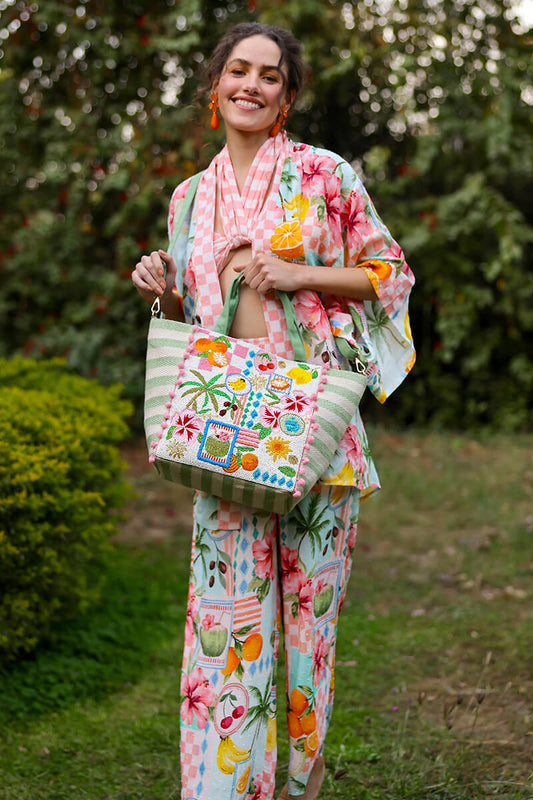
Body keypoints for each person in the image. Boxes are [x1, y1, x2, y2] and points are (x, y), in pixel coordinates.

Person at [132, 22, 415, 800]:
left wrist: (297, 274)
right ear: (214, 86)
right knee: (223, 623)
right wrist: (165, 293)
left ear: (286, 96)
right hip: (227, 435)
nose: (251, 85)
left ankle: (300, 783)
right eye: (238, 70)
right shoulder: (188, 199)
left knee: (307, 629)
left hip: (313, 428)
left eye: (269, 75)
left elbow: (390, 274)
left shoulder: (323, 173)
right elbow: (199, 321)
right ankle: (223, 789)